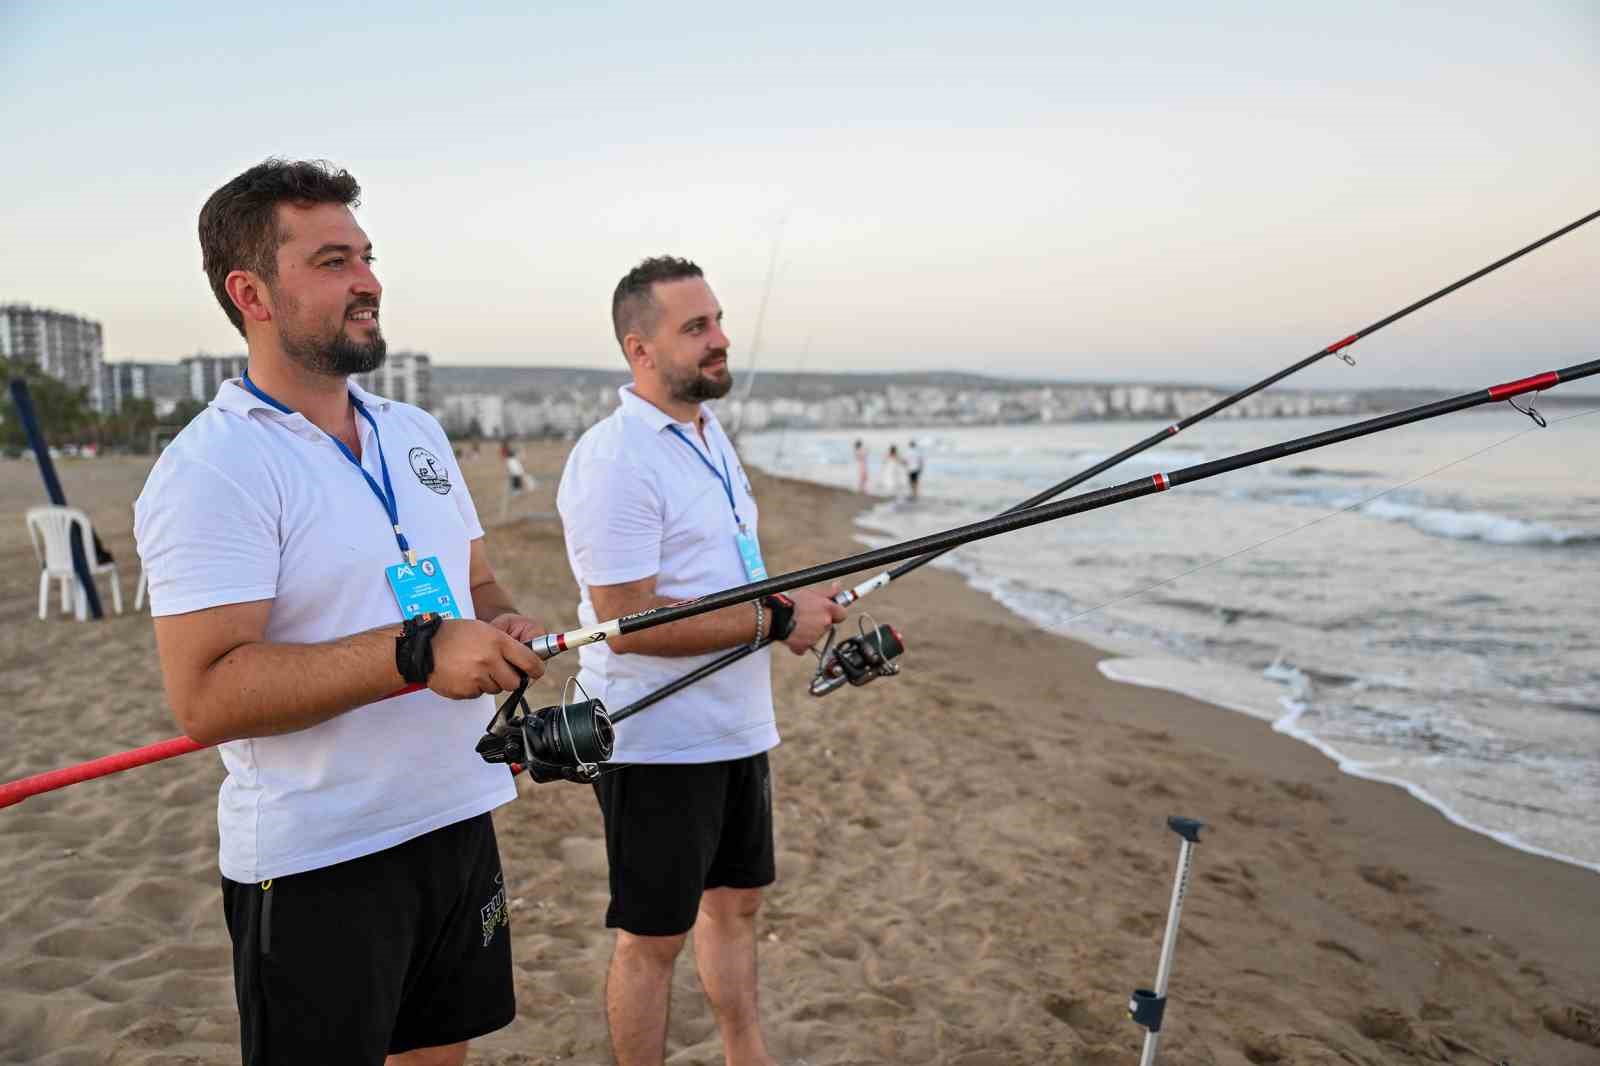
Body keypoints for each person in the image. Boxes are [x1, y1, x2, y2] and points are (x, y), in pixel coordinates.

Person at [133, 158, 548, 1066]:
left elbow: (477, 585)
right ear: (251, 294)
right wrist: (417, 653)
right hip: (320, 857)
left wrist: (503, 625)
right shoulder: (213, 468)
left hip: (455, 815)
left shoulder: (414, 430)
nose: (369, 281)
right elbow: (206, 697)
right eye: (332, 262)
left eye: (366, 257)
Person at [556, 256, 847, 1066]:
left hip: (736, 725)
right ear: (640, 348)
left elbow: (725, 580)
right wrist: (775, 618)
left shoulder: (709, 434)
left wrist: (788, 606)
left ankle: (746, 1054)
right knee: (653, 938)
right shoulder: (616, 458)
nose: (720, 339)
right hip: (657, 741)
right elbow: (624, 621)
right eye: (696, 327)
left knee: (737, 906)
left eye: (717, 320)